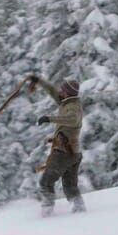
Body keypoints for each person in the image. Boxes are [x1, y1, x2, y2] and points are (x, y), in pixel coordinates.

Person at [29, 75, 86, 216]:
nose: (60, 91)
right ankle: (80, 210)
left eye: (63, 89)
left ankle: (47, 212)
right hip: (73, 153)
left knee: (46, 181)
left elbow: (72, 120)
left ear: (67, 92)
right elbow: (52, 91)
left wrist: (49, 118)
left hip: (64, 152)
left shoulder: (73, 107)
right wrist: (38, 81)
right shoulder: (66, 102)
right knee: (70, 186)